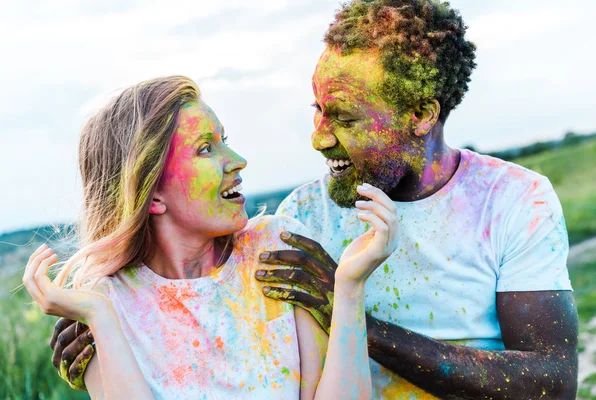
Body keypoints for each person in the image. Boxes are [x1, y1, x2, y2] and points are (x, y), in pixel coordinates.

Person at [52, 1, 579, 398]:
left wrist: (349, 314)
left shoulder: (513, 200)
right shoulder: (301, 219)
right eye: (317, 110)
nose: (319, 138)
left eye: (344, 117)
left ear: (420, 113)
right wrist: (108, 326)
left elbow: (552, 382)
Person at [24, 75, 400, 399]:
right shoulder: (104, 305)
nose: (237, 160)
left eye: (224, 140)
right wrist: (100, 316)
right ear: (152, 194)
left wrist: (349, 286)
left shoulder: (275, 250)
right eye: (205, 148)